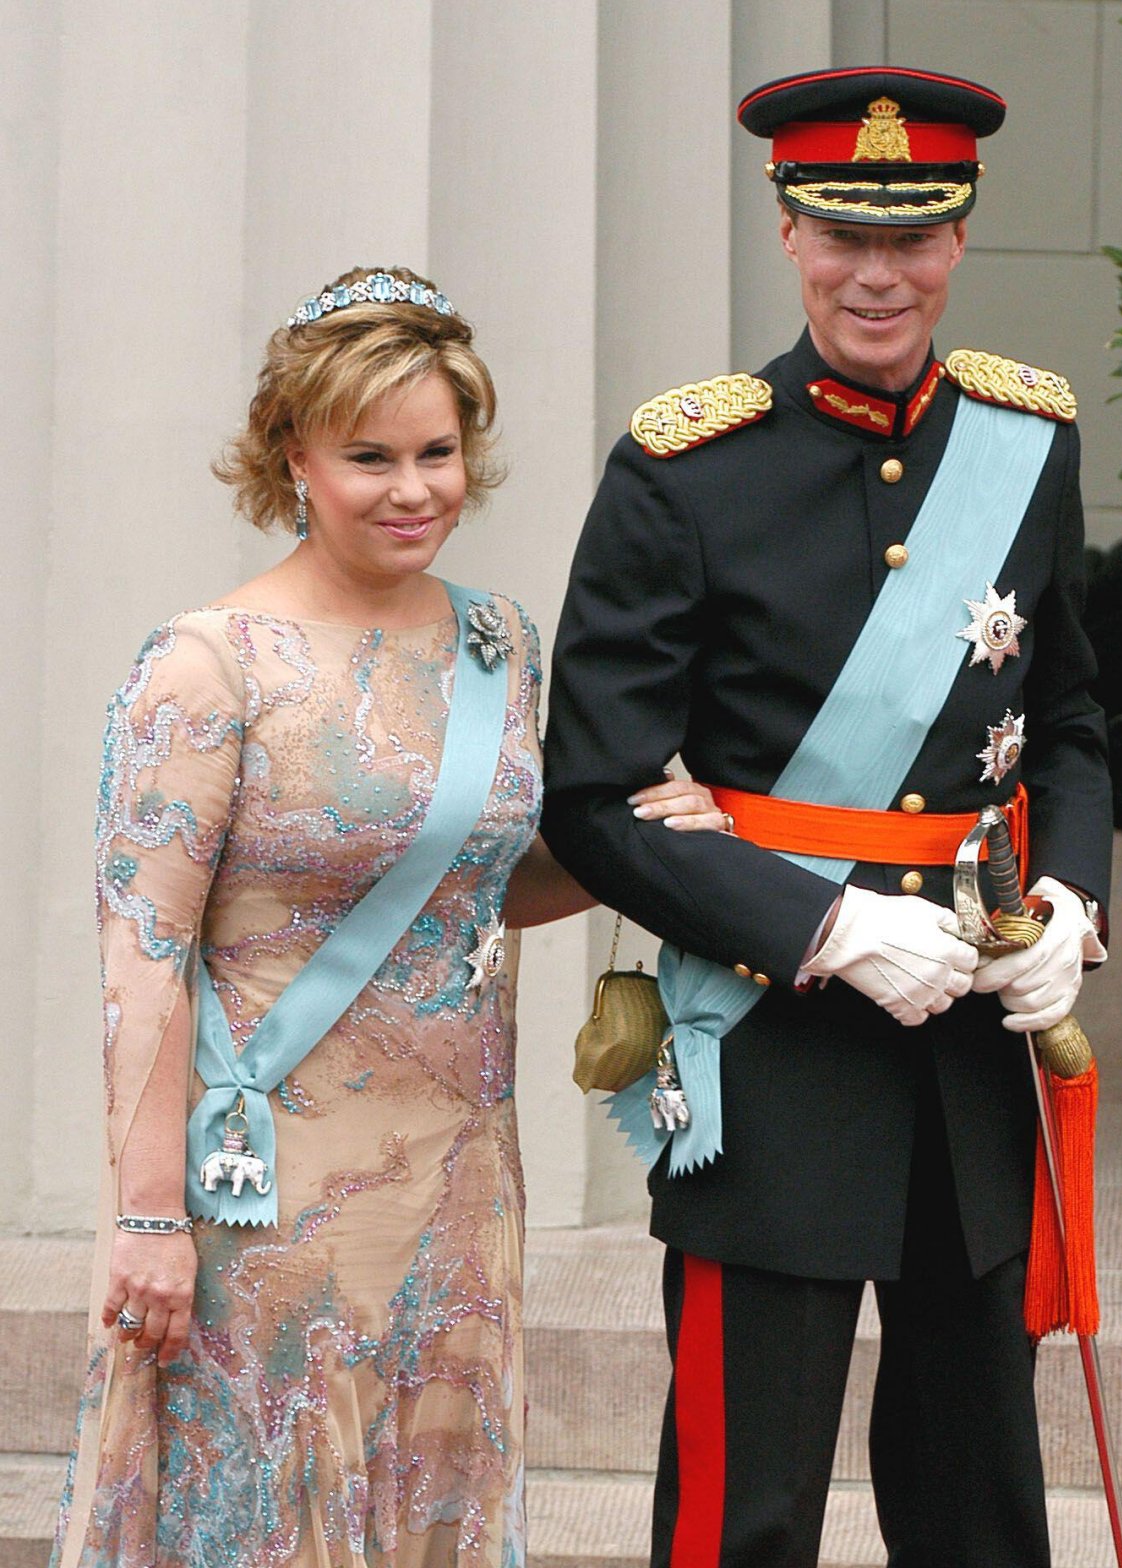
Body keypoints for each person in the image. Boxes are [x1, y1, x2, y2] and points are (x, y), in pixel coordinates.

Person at [51, 265, 724, 1568]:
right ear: (291, 453)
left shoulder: (498, 644)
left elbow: (483, 887)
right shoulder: (206, 665)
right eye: (371, 455)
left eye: (439, 451)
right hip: (262, 1202)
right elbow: (142, 964)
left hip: (461, 1187)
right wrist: (144, 1221)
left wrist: (632, 855)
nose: (414, 489)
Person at [541, 69, 1112, 1568]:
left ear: (960, 241)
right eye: (843, 235)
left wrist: (1068, 907)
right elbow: (595, 796)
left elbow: (1069, 726)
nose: (880, 274)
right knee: (752, 1505)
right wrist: (828, 924)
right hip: (772, 1052)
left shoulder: (1028, 439)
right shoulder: (686, 468)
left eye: (914, 240)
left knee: (982, 1493)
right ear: (789, 231)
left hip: (977, 1047)